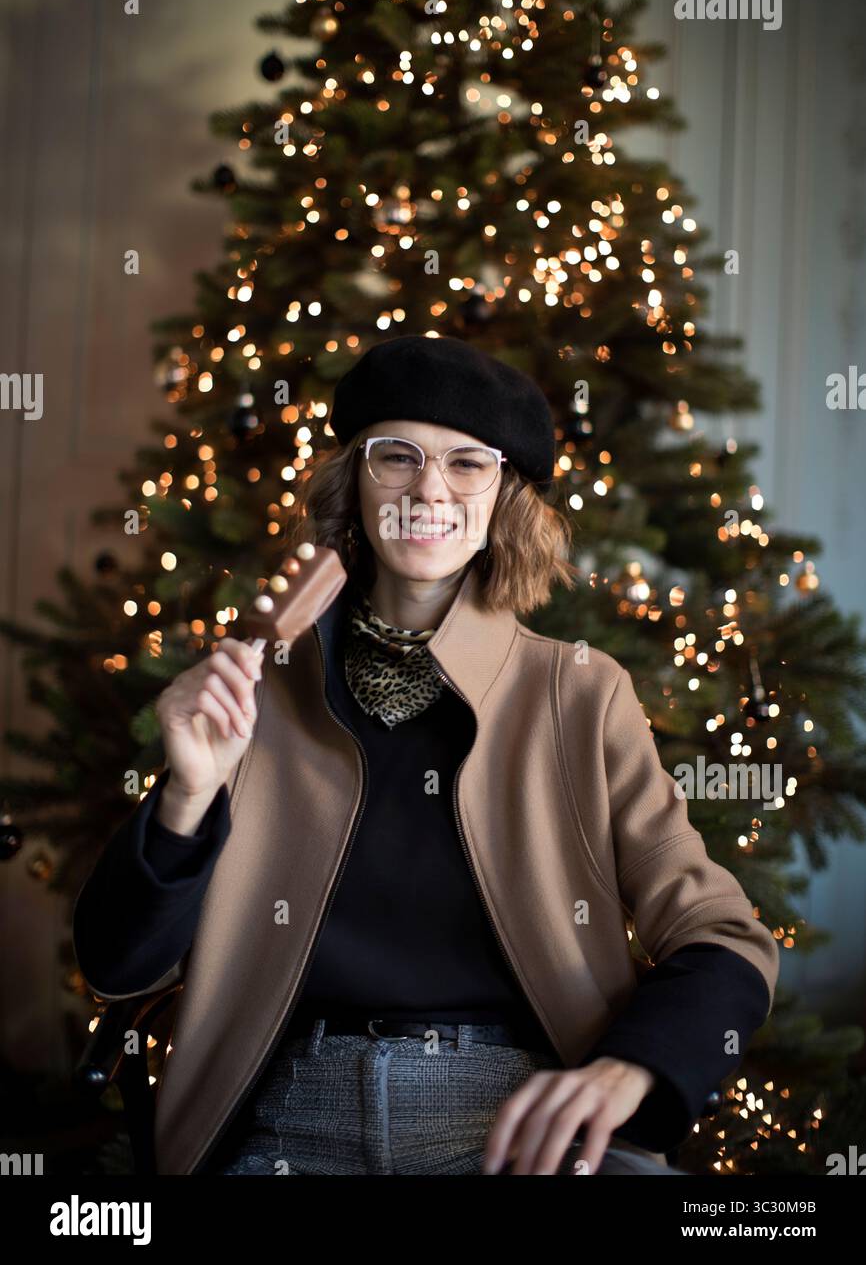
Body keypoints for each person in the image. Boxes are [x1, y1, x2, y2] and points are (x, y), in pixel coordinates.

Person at [73, 334, 779, 1176]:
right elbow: (116, 968)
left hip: (515, 1118)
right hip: (291, 1118)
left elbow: (724, 934)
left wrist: (630, 1068)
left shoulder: (581, 696)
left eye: (468, 463)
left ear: (505, 497)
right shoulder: (257, 688)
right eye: (395, 456)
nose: (429, 489)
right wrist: (188, 795)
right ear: (357, 483)